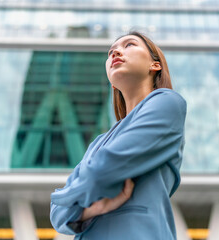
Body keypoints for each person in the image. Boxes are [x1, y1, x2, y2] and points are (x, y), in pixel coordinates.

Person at [50, 31, 187, 240]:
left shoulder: (167, 103)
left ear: (155, 65)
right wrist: (92, 208)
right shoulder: (98, 142)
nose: (116, 53)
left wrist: (64, 197)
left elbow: (101, 171)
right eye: (111, 51)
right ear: (112, 83)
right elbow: (57, 216)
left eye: (129, 45)